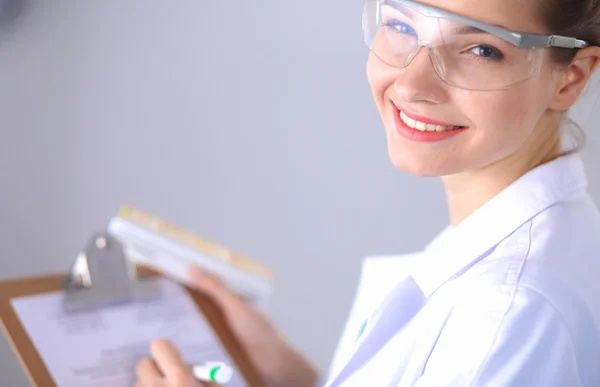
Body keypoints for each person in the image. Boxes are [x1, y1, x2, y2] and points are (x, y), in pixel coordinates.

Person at [133, 0, 600, 385]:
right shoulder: (541, 251)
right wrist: (290, 380)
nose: (411, 83)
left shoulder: (506, 316)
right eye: (400, 24)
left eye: (480, 49)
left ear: (571, 76)